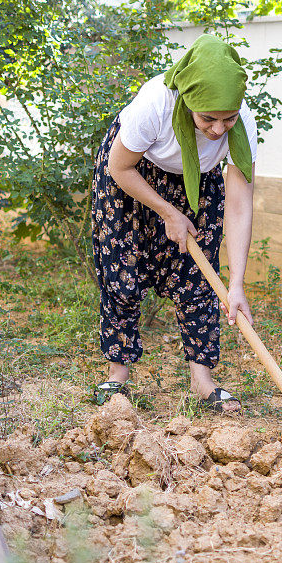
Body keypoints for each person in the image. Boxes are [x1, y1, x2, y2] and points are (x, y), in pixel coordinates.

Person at [91, 34, 256, 413]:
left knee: (199, 275)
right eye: (208, 118)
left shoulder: (241, 123)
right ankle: (117, 375)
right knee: (123, 269)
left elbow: (240, 204)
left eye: (227, 118)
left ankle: (203, 381)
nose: (219, 129)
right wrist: (168, 212)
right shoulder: (155, 103)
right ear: (187, 101)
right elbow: (119, 167)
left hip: (198, 177)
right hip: (132, 171)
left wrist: (236, 284)